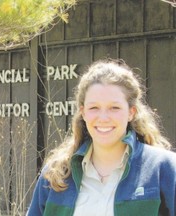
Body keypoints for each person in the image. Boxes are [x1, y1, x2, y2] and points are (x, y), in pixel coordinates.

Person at [26, 59, 176, 216]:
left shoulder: (165, 169)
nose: (103, 117)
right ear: (83, 113)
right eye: (94, 108)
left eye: (114, 108)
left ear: (131, 112)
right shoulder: (56, 175)